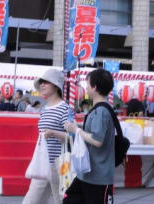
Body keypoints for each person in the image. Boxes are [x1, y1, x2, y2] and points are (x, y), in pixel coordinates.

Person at [63, 68, 115, 204]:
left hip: (98, 177)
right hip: (88, 174)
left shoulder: (101, 111)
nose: (85, 88)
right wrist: (77, 128)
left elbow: (97, 141)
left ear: (95, 87)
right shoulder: (100, 109)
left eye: (87, 84)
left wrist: (77, 130)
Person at [22, 68, 70, 204]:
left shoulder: (65, 109)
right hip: (42, 162)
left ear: (56, 85)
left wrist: (54, 133)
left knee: (60, 200)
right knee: (31, 200)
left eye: (46, 82)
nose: (42, 85)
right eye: (41, 82)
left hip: (61, 163)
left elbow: (72, 137)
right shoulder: (44, 109)